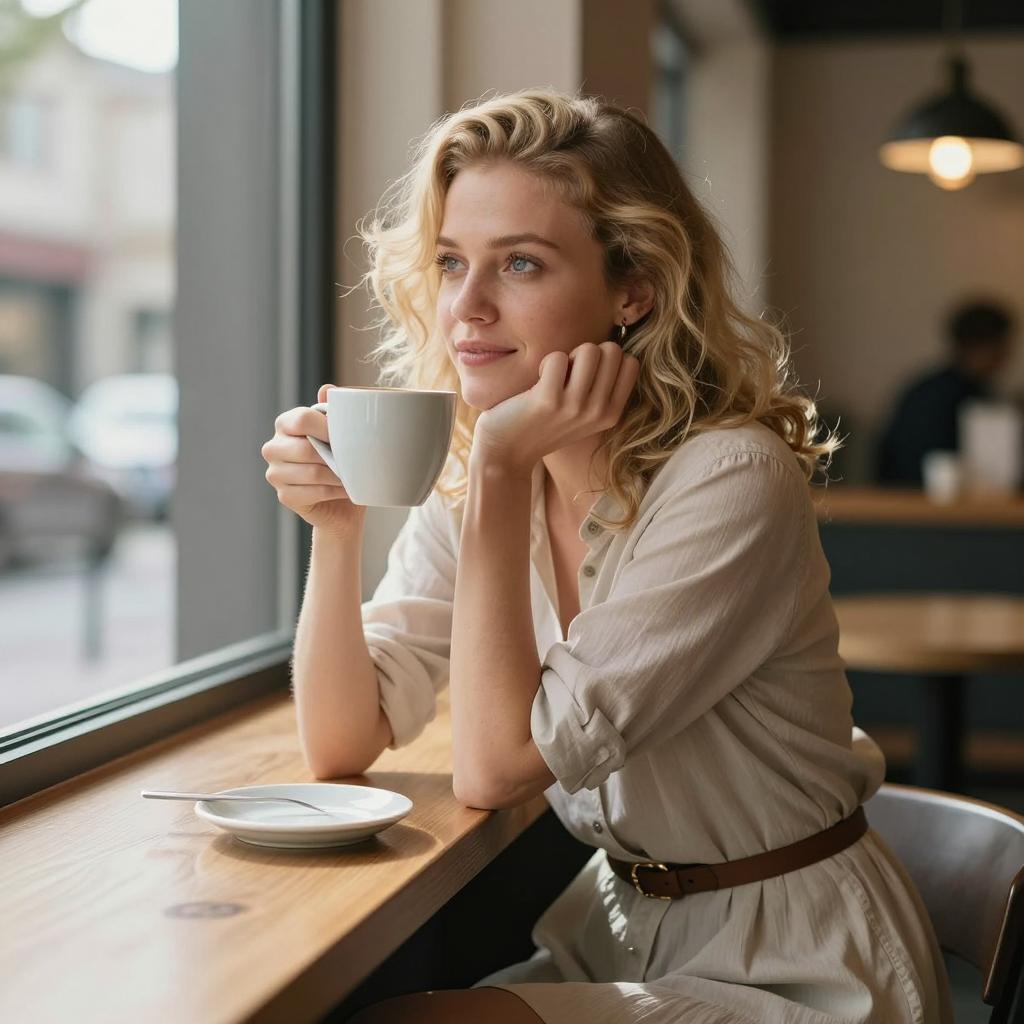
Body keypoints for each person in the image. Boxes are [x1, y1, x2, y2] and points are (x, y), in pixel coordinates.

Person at [261, 90, 952, 1024]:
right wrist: (335, 533)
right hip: (626, 927)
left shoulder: (729, 477)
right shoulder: (482, 478)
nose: (467, 306)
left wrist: (502, 467)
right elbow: (342, 739)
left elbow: (495, 769)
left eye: (520, 263)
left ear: (633, 288)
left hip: (794, 960)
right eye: (452, 262)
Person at [876, 301, 1015, 484]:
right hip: (916, 503)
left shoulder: (978, 392)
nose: (1007, 355)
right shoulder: (935, 397)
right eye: (1002, 346)